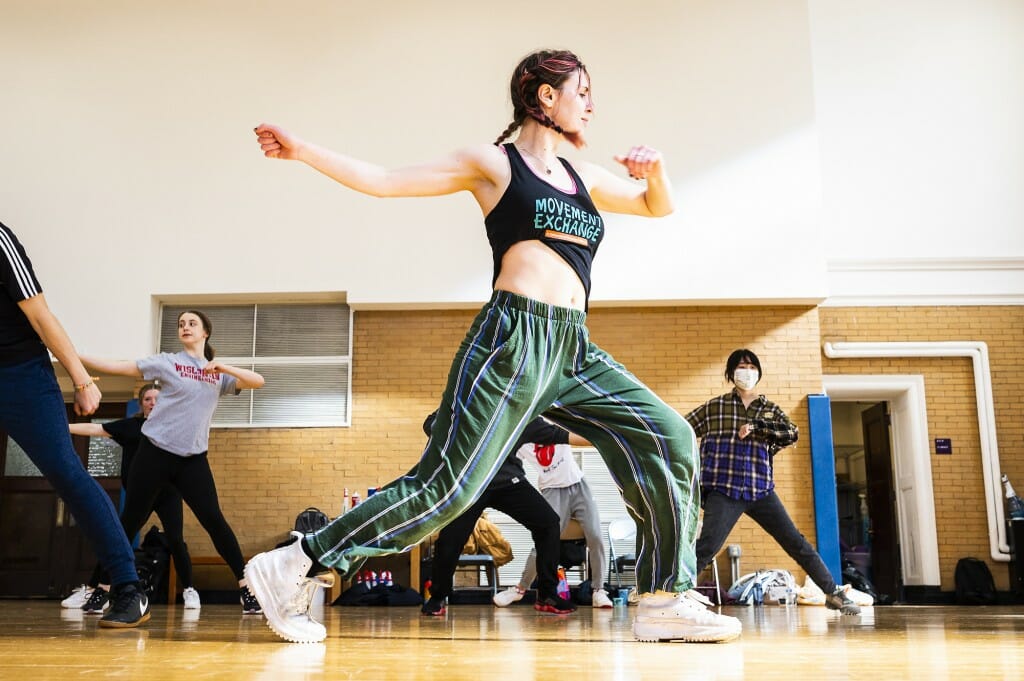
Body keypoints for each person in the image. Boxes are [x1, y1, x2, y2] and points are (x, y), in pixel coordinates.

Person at [244, 48, 741, 644]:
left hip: (573, 349)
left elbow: (656, 205)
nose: (591, 102)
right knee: (447, 490)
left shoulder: (582, 178)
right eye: (581, 89)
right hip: (512, 341)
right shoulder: (495, 163)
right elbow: (383, 181)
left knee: (669, 435)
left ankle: (664, 596)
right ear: (545, 97)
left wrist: (655, 169)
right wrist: (302, 149)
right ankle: (297, 562)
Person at [0, 220, 148, 628]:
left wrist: (81, 379)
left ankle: (128, 586)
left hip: (20, 374)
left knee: (67, 473)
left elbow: (41, 316)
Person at [80, 310, 266, 614]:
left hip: (192, 460)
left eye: (192, 323)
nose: (185, 327)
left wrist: (222, 366)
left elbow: (258, 381)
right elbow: (121, 367)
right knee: (129, 522)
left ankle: (246, 588)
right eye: (181, 324)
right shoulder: (168, 362)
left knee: (214, 521)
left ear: (206, 331)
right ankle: (102, 587)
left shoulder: (217, 373)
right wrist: (77, 358)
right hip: (154, 453)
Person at [685, 348, 860, 616]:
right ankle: (676, 594)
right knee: (707, 547)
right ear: (732, 373)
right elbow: (684, 430)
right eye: (742, 366)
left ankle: (832, 593)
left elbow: (792, 432)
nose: (747, 371)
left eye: (752, 366)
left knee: (796, 542)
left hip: (761, 490)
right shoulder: (715, 407)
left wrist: (758, 428)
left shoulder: (769, 409)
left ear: (758, 372)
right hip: (724, 488)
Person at [419, 413, 575, 616]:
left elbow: (560, 435)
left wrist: (610, 436)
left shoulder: (519, 412)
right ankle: (438, 597)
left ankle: (547, 594)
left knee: (548, 523)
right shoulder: (463, 403)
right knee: (450, 539)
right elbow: (430, 424)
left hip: (508, 482)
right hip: (469, 487)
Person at [66, 383, 200, 612]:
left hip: (168, 494)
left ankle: (189, 590)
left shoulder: (174, 427)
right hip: (141, 494)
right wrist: (62, 427)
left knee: (176, 539)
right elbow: (96, 430)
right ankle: (91, 589)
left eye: (157, 398)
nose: (152, 402)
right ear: (141, 404)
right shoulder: (131, 427)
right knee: (119, 539)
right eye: (147, 399)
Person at [494, 420, 613, 609]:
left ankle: (598, 590)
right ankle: (520, 589)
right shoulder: (520, 438)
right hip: (551, 490)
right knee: (545, 540)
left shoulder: (553, 426)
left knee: (596, 536)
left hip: (578, 484)